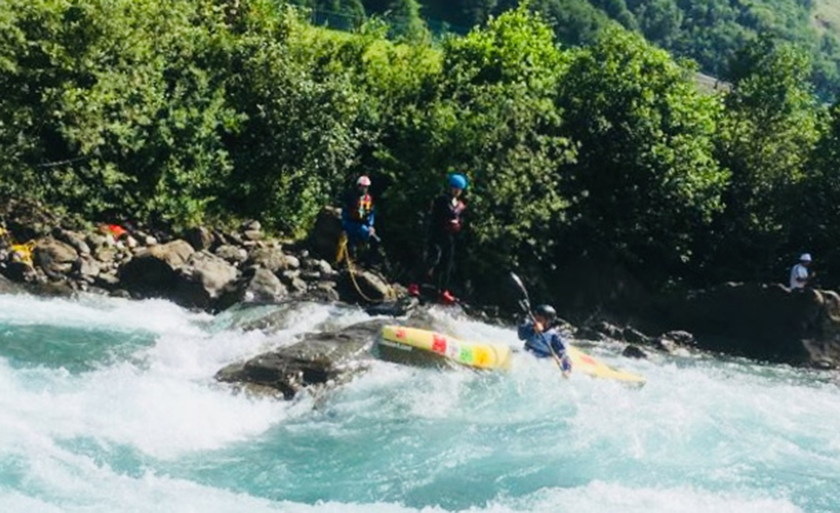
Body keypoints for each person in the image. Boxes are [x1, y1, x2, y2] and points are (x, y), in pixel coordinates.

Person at [408, 173, 468, 304]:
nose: (456, 191)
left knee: (447, 264)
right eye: (454, 188)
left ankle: (443, 291)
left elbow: (462, 220)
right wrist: (450, 220)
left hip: (449, 237)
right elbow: (437, 217)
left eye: (458, 189)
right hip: (436, 235)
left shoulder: (460, 204)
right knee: (433, 258)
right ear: (450, 187)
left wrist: (458, 224)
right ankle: (415, 284)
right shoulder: (441, 200)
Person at [518, 304, 572, 376]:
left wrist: (566, 370)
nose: (537, 321)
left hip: (540, 361)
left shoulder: (553, 336)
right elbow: (521, 336)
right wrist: (533, 330)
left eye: (540, 320)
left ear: (548, 322)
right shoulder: (531, 326)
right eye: (536, 319)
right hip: (526, 355)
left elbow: (563, 354)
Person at [341, 175, 378, 259]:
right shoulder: (350, 197)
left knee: (374, 240)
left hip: (362, 225)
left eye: (366, 187)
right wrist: (344, 226)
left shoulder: (368, 199)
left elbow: (371, 213)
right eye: (362, 186)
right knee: (350, 242)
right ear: (358, 186)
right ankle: (347, 259)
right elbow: (345, 212)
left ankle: (369, 261)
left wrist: (370, 226)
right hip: (350, 223)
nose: (364, 189)